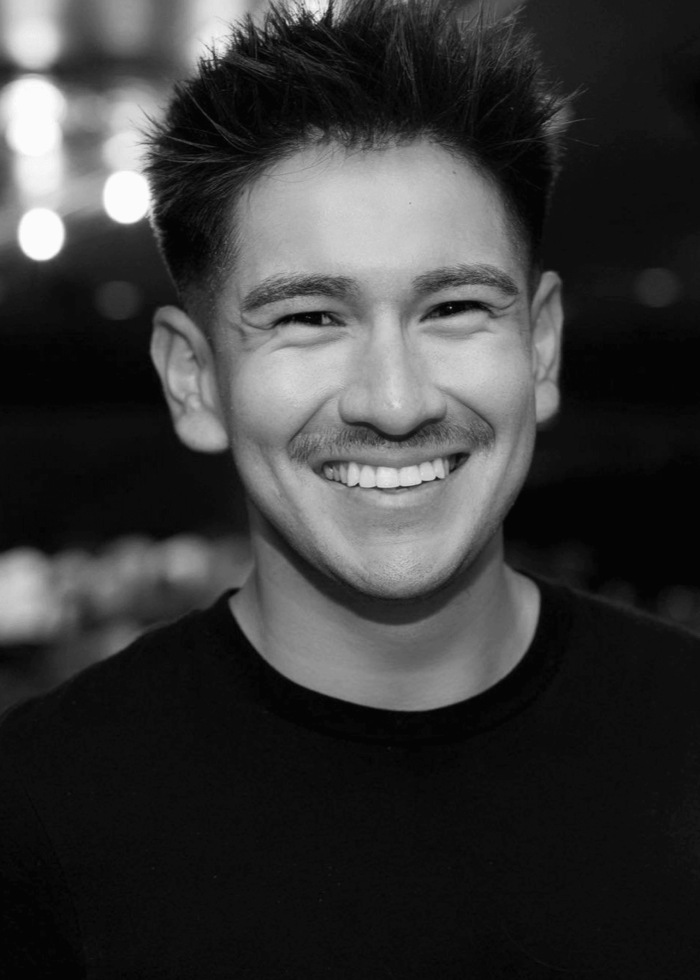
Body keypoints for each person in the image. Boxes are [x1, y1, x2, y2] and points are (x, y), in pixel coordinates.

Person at [2, 0, 700, 976]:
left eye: (453, 306)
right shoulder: (39, 815)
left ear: (539, 348)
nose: (395, 400)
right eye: (309, 317)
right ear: (194, 380)